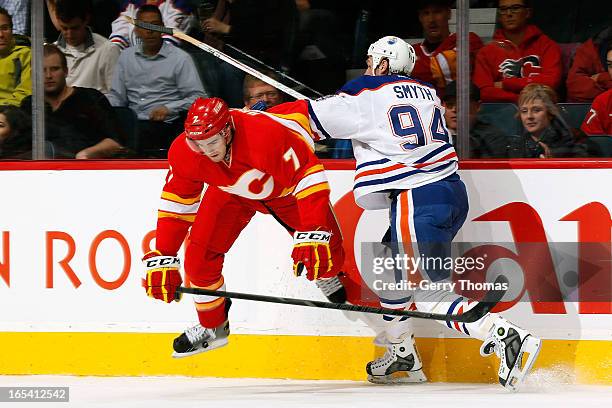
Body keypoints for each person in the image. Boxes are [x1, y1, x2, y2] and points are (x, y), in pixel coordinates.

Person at [273, 35, 542, 391]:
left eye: (372, 62)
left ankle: (506, 337)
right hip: (448, 192)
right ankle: (403, 354)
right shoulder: (426, 92)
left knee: (430, 294)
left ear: (382, 64)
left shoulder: (365, 92)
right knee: (391, 271)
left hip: (417, 197)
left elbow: (307, 119)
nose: (369, 68)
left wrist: (261, 117)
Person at [141, 97, 347, 358]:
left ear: (227, 130)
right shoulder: (185, 151)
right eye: (198, 144)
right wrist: (165, 255)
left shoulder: (263, 134)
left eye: (212, 141)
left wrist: (314, 231)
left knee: (328, 254)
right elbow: (177, 203)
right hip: (230, 192)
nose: (206, 151)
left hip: (285, 193)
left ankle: (327, 273)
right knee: (198, 260)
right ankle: (213, 326)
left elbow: (308, 175)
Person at [107, 4, 207, 157]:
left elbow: (199, 98)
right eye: (144, 26)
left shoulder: (180, 58)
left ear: (162, 28)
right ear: (136, 30)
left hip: (167, 126)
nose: (149, 31)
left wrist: (169, 108)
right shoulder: (125, 57)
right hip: (132, 125)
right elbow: (116, 98)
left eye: (155, 26)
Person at [21, 44, 124, 159]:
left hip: (86, 167)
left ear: (66, 71)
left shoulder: (90, 98)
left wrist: (85, 155)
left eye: (55, 69)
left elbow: (115, 143)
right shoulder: (28, 105)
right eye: (42, 71)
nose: (48, 76)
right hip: (39, 171)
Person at [473, 0, 562, 103]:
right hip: (499, 114)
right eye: (503, 9)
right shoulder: (487, 52)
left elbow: (551, 82)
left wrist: (506, 84)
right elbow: (483, 92)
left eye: (515, 8)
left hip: (541, 113)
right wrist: (522, 99)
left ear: (527, 12)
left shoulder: (547, 45)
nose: (509, 13)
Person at [46, 0, 121, 96]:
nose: (69, 34)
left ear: (86, 20)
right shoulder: (52, 53)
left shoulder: (108, 50)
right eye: (64, 28)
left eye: (75, 28)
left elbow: (115, 96)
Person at [410, 0, 484, 96]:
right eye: (426, 13)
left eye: (437, 12)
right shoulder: (412, 50)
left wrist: (411, 68)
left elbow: (441, 69)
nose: (431, 19)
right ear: (420, 17)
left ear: (449, 13)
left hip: (458, 109)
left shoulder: (467, 40)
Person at [442, 81, 513, 158]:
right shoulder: (432, 135)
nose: (454, 109)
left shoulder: (492, 138)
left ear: (477, 106)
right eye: (449, 105)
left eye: (461, 104)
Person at [514, 83, 587, 158]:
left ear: (550, 113)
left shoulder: (572, 140)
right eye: (524, 111)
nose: (529, 116)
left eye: (536, 110)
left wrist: (554, 163)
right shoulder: (514, 144)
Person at [109, 0, 195, 49]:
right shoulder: (131, 6)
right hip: (134, 68)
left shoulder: (178, 5)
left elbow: (168, 45)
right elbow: (117, 41)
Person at [566, 26, 612, 103]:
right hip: (589, 107)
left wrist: (601, 78)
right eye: (610, 65)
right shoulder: (590, 49)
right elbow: (575, 87)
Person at [0, 6, 31, 107]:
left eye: (5, 28)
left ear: (12, 30)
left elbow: (26, 92)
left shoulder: (25, 55)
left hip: (11, 112)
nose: (1, 34)